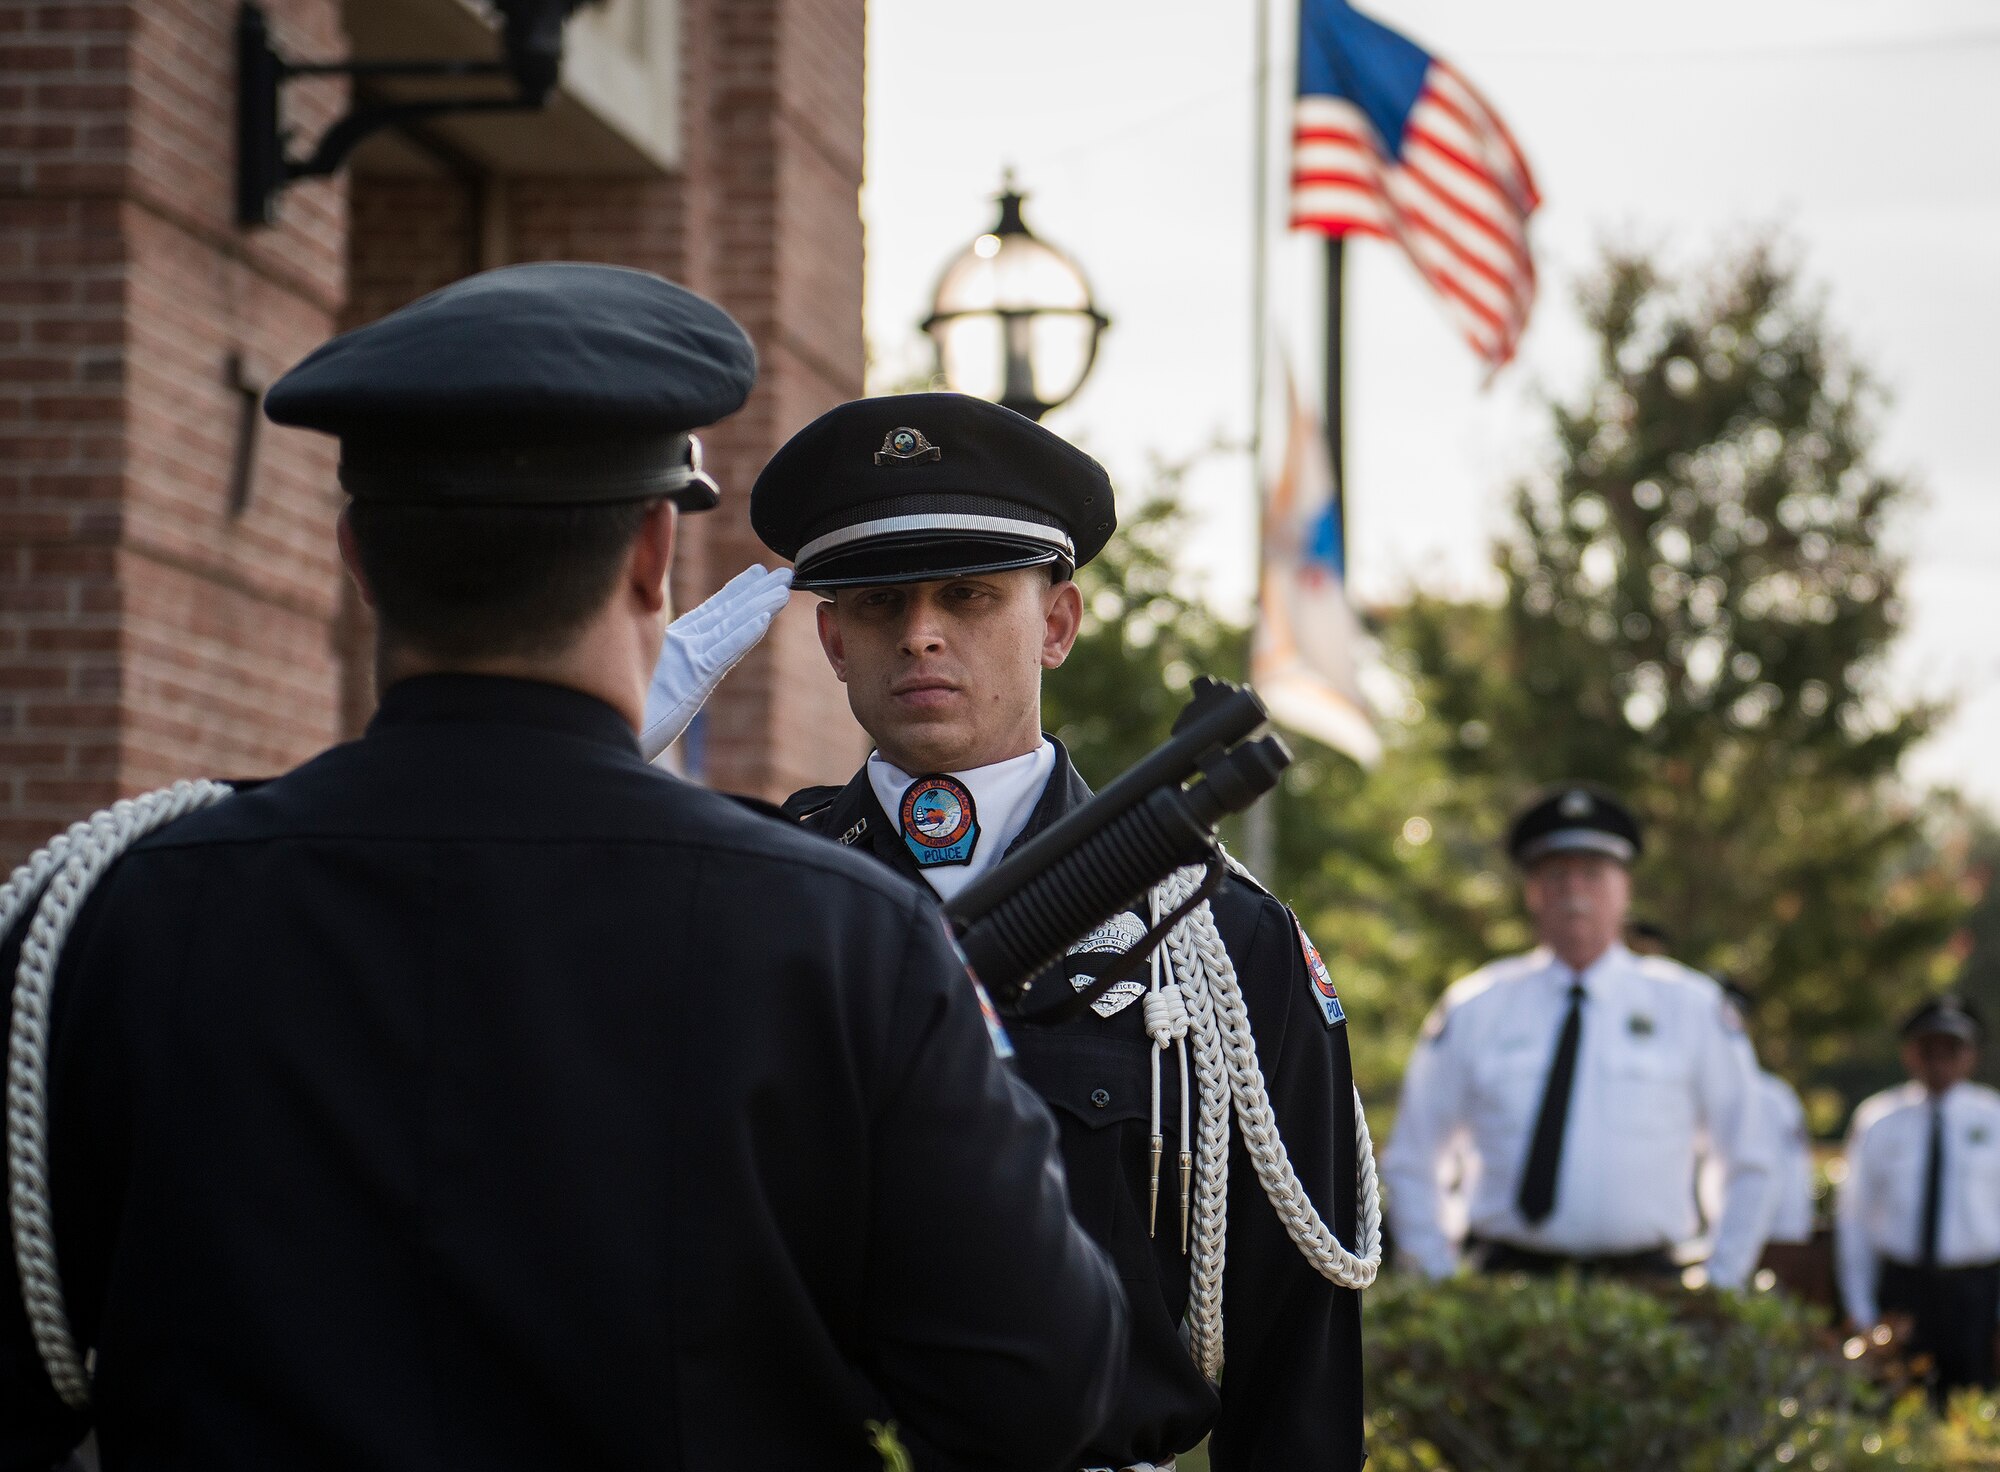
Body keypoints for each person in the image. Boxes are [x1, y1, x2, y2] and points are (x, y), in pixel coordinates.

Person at [0, 265, 1128, 1472]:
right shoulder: (843, 933)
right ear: (654, 551)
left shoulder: (112, 916)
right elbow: (1033, 1389)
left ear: (358, 558)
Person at [734, 392, 1372, 1472]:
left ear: (1058, 623)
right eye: (881, 600)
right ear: (832, 637)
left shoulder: (1220, 934)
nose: (921, 631)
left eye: (970, 595)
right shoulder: (754, 901)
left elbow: (1291, 1359)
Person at [1384, 783, 1775, 1286]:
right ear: (1532, 892)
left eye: (1593, 874)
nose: (1574, 893)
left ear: (1625, 890)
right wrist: (1437, 1276)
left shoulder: (1692, 1008)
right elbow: (1415, 1159)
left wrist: (1722, 1281)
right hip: (1502, 1289)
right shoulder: (1475, 1008)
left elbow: (1748, 1159)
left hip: (1650, 1291)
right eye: (1556, 875)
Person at [1837, 995, 2000, 1402]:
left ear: (1971, 1055)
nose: (1939, 1061)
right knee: (1896, 1406)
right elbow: (1854, 1217)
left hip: (1975, 1294)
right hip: (1903, 1290)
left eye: (1952, 1049)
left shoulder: (1993, 1117)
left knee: (1971, 1414)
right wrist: (1861, 1308)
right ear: (1910, 1053)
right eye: (1929, 1049)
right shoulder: (1879, 1119)